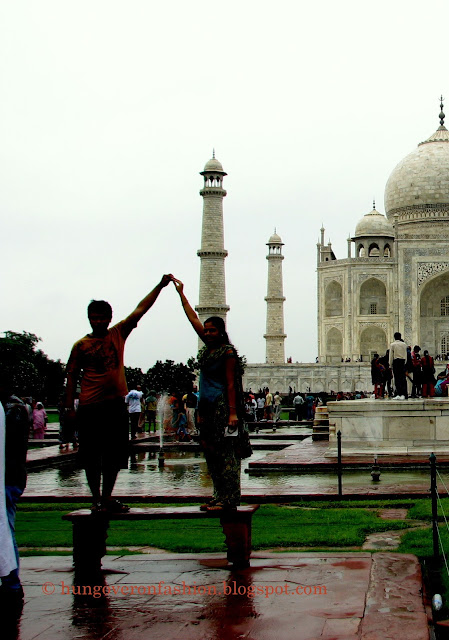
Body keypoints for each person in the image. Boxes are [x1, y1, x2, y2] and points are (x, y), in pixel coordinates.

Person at [65, 275, 171, 513]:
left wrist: (160, 286)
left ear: (109, 318)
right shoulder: (81, 345)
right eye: (94, 318)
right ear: (89, 318)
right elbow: (71, 376)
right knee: (91, 457)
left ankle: (107, 497)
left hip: (114, 405)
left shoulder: (118, 333)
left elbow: (140, 310)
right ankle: (96, 498)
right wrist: (69, 408)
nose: (98, 321)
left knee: (113, 456)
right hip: (90, 406)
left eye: (102, 317)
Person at [172, 277, 252, 511]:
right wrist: (181, 295)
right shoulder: (209, 350)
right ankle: (218, 495)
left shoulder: (227, 353)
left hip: (222, 408)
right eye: (206, 331)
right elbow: (193, 319)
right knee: (211, 453)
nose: (207, 333)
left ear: (221, 332)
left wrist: (233, 414)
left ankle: (230, 498)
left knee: (227, 454)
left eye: (212, 330)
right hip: (205, 407)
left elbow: (231, 384)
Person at [0, 381, 29, 614]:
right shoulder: (14, 407)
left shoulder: (12, 409)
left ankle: (11, 583)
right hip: (10, 476)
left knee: (5, 529)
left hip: (8, 478)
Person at [389, 332, 408, 400]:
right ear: (400, 337)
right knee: (403, 379)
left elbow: (391, 356)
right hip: (402, 362)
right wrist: (404, 363)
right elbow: (405, 355)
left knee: (397, 379)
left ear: (394, 337)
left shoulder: (392, 345)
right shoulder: (404, 344)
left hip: (396, 362)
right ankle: (404, 394)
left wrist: (390, 365)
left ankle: (399, 394)